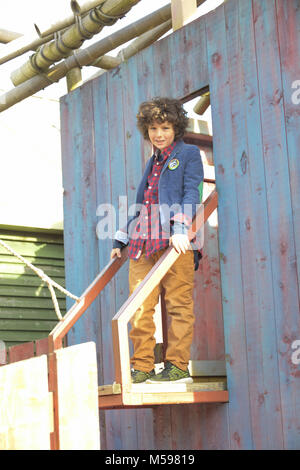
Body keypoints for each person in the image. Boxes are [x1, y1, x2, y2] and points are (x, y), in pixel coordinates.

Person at [110, 97, 203, 384]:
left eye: (164, 127)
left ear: (176, 127)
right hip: (142, 243)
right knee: (138, 305)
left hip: (176, 243)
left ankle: (177, 366)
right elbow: (141, 204)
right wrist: (120, 239)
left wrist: (180, 227)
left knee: (178, 305)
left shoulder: (188, 154)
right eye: (153, 128)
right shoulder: (153, 161)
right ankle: (143, 366)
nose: (159, 134)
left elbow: (192, 193)